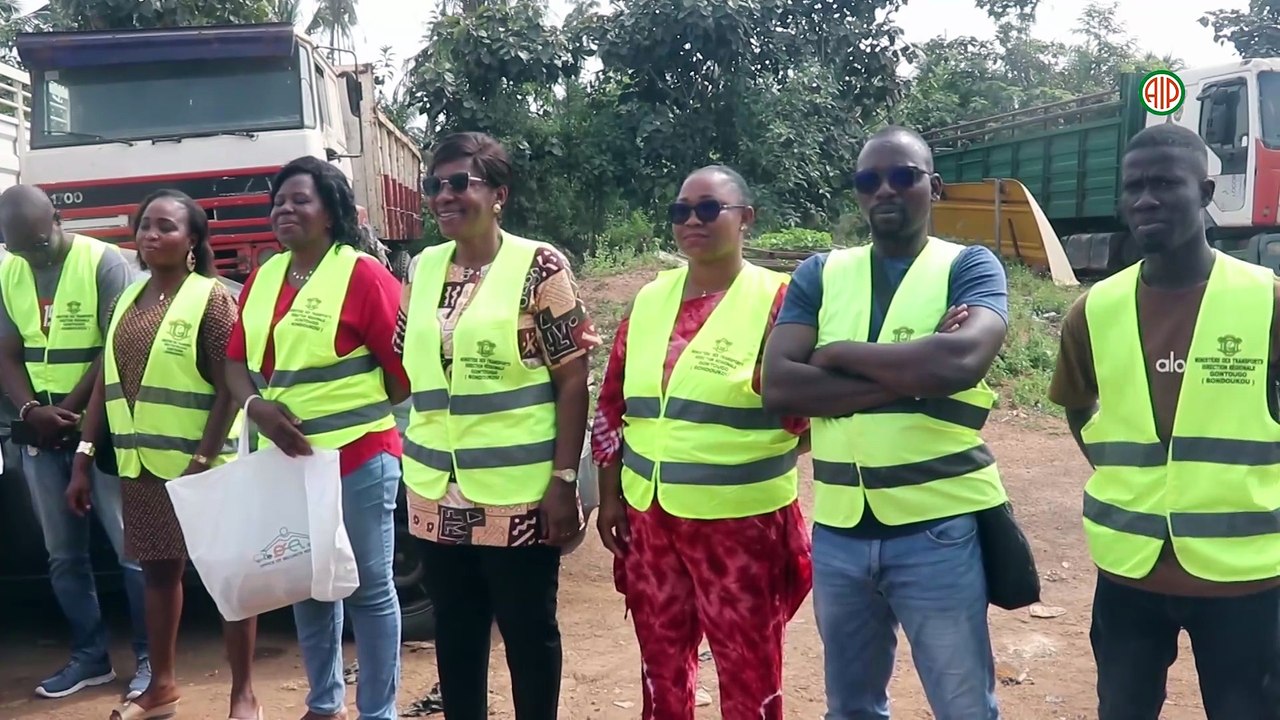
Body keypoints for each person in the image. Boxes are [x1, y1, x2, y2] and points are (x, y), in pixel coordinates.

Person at [761, 125, 1010, 720]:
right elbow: (780, 385)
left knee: (963, 706)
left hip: (938, 527)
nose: (885, 191)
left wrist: (836, 353)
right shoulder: (821, 272)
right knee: (850, 708)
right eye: (869, 181)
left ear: (935, 187)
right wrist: (912, 373)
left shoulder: (970, 266)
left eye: (903, 176)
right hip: (841, 530)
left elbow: (960, 359)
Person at [1050, 123, 1280, 720]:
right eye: (1133, 188)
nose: (1144, 199)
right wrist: (1128, 474)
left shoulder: (1266, 300)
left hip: (1246, 581)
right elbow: (1079, 407)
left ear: (1205, 192)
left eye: (1163, 184)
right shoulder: (1094, 309)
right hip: (1130, 575)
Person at [592, 165, 812, 720]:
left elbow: (806, 414)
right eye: (680, 211)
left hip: (740, 528)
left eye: (709, 209)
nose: (692, 220)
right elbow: (613, 409)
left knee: (749, 674)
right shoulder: (647, 301)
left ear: (746, 220)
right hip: (650, 519)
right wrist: (611, 497)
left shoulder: (780, 301)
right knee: (661, 672)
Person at [397, 131, 598, 719]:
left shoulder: (539, 266)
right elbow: (411, 362)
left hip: (521, 495)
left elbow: (571, 381)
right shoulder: (422, 267)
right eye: (436, 185)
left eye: (461, 183)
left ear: (498, 194)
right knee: (456, 635)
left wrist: (564, 480)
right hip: (436, 490)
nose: (445, 196)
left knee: (528, 633)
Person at [66, 189, 262, 720]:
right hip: (141, 467)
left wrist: (200, 459)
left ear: (193, 240)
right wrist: (84, 457)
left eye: (166, 227)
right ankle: (163, 688)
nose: (152, 235)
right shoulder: (125, 301)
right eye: (145, 225)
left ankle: (243, 693)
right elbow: (108, 385)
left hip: (207, 467)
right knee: (157, 574)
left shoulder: (212, 298)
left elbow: (229, 385)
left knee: (228, 578)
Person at [225, 156, 408, 720]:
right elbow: (234, 362)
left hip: (358, 456)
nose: (285, 209)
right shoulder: (264, 276)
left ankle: (378, 711)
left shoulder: (364, 275)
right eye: (278, 201)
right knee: (306, 585)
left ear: (330, 213)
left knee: (369, 589)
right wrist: (257, 407)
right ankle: (324, 703)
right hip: (290, 462)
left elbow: (403, 375)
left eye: (299, 200)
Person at [0, 184, 151, 701]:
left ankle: (152, 660)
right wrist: (30, 411)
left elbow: (115, 346)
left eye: (39, 243)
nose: (31, 254)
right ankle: (91, 659)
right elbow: (6, 352)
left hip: (101, 430)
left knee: (132, 549)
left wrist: (66, 409)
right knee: (62, 556)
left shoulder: (103, 262)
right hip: (40, 434)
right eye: (19, 247)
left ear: (59, 219)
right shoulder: (8, 270)